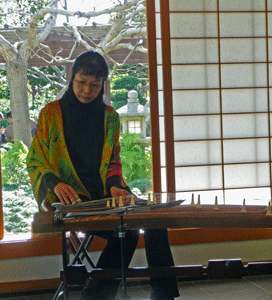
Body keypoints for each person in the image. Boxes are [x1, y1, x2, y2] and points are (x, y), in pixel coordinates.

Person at [26, 50, 179, 300]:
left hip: (108, 193)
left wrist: (116, 186)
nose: (87, 90)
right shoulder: (51, 114)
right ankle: (96, 295)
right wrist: (55, 184)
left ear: (102, 85)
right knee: (127, 231)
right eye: (81, 82)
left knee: (155, 217)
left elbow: (112, 161)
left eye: (95, 85)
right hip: (72, 197)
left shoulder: (110, 117)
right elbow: (35, 161)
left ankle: (163, 294)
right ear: (71, 79)